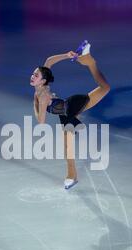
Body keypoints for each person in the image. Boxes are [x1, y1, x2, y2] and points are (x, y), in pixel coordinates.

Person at [30, 42, 110, 189]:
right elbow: (48, 61)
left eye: (36, 75)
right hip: (67, 112)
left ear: (42, 80)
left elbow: (41, 122)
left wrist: (34, 104)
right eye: (33, 73)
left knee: (105, 87)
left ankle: (91, 63)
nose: (32, 76)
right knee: (68, 146)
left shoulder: (42, 95)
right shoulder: (42, 86)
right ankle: (71, 176)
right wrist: (66, 55)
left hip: (72, 105)